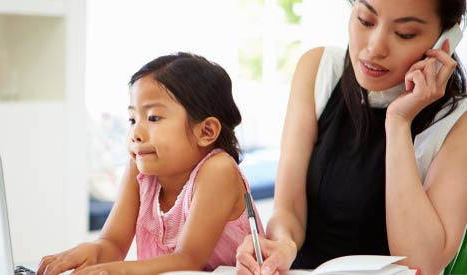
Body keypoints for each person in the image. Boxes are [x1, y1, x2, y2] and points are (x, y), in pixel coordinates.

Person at [235, 0, 467, 274]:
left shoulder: (457, 121)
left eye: (405, 34)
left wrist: (398, 122)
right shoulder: (319, 69)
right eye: (365, 21)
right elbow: (289, 209)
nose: (375, 47)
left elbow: (421, 263)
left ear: (446, 40)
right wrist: (283, 244)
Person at [37, 52, 265, 275]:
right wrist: (92, 251)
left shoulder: (218, 170)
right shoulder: (139, 171)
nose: (135, 133)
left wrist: (114, 270)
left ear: (206, 131)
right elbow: (113, 244)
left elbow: (188, 261)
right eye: (132, 119)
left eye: (153, 118)